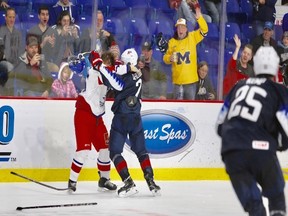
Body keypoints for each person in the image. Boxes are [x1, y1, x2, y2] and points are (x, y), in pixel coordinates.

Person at [216, 46, 288, 216]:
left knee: (255, 207)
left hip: (231, 151)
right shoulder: (279, 90)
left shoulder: (238, 86)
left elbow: (220, 126)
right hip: (262, 151)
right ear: (275, 68)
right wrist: (277, 143)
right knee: (276, 195)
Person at [100, 48, 161, 197]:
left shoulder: (124, 78)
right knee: (141, 151)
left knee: (115, 151)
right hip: (136, 117)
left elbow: (109, 79)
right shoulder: (138, 74)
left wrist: (100, 66)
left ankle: (128, 182)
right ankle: (151, 182)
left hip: (122, 117)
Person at [67, 50, 124, 192]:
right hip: (84, 115)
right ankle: (72, 181)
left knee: (105, 148)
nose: (107, 65)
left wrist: (118, 64)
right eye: (105, 62)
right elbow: (92, 55)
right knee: (83, 150)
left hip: (98, 117)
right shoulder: (94, 72)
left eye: (109, 63)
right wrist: (92, 59)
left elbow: (115, 70)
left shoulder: (106, 73)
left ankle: (104, 179)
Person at [163, 0, 208, 100]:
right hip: (177, 82)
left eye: (183, 27)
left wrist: (200, 18)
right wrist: (169, 58)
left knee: (189, 108)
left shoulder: (192, 37)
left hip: (190, 82)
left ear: (187, 29)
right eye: (178, 27)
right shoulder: (172, 42)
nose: (180, 30)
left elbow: (205, 30)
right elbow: (165, 58)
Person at [28, 5, 58, 71]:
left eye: (47, 15)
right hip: (35, 61)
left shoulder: (52, 31)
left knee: (56, 69)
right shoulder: (32, 31)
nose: (45, 17)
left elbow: (55, 53)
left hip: (47, 62)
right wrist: (44, 42)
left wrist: (53, 45)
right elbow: (31, 52)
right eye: (43, 14)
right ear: (39, 16)